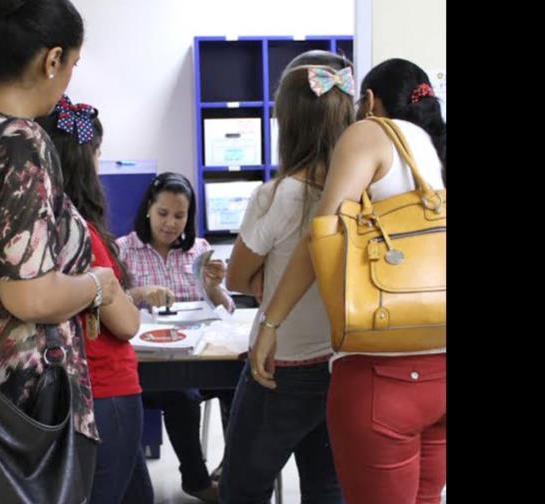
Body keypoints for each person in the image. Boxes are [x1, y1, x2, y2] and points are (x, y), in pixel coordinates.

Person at [0, 0, 122, 500]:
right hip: (28, 400)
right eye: (72, 66)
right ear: (52, 59)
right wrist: (96, 284)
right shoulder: (20, 141)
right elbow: (30, 297)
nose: (67, 81)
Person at [250, 58, 447, 504]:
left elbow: (320, 236)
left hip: (383, 376)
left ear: (371, 102)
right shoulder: (430, 147)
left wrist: (270, 324)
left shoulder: (368, 133)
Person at [220, 50, 354, 504]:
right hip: (340, 365)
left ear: (287, 122)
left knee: (242, 486)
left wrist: (264, 283)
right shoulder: (359, 195)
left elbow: (237, 276)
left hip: (279, 369)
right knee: (327, 487)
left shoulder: (277, 195)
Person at [38, 96, 154, 504]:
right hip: (104, 391)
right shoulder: (81, 233)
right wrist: (114, 290)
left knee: (137, 494)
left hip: (62, 392)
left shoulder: (33, 230)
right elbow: (126, 324)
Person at [116, 172, 234, 503]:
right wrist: (140, 293)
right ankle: (196, 480)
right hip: (148, 364)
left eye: (179, 216)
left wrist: (213, 286)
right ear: (148, 211)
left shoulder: (200, 250)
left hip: (198, 354)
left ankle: (235, 471)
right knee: (182, 394)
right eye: (163, 213)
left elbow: (226, 308)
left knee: (239, 384)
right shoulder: (125, 250)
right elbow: (109, 303)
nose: (170, 224)